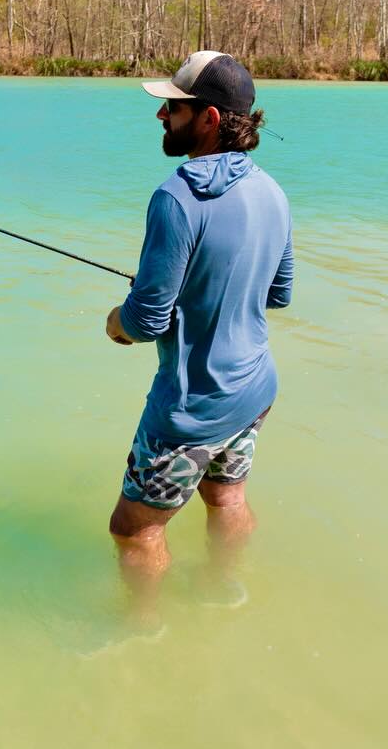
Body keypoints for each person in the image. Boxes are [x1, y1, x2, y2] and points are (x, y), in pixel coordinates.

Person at [104, 51, 293, 607]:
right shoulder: (273, 192)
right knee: (227, 498)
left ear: (209, 119)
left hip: (191, 409)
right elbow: (278, 294)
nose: (162, 116)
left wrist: (115, 323)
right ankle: (221, 590)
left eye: (174, 107)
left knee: (134, 529)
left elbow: (143, 322)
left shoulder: (176, 197)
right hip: (255, 389)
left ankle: (141, 631)